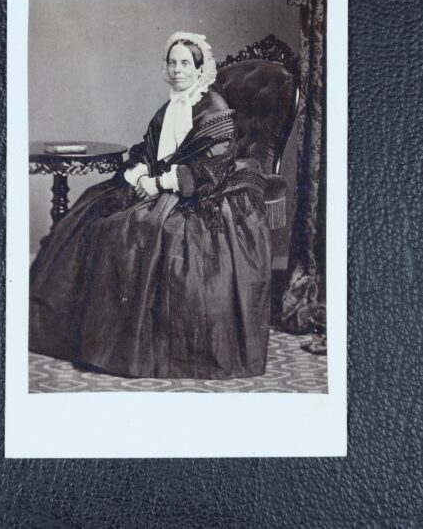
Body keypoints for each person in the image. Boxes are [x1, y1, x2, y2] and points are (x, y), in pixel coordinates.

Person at [30, 32, 272, 379]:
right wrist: (142, 174)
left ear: (200, 69)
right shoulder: (167, 108)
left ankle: (145, 348)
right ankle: (85, 335)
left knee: (144, 229)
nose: (177, 70)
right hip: (158, 183)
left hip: (200, 190)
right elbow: (146, 149)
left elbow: (213, 165)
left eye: (185, 63)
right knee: (92, 212)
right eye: (172, 63)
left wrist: (160, 184)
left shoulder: (214, 108)